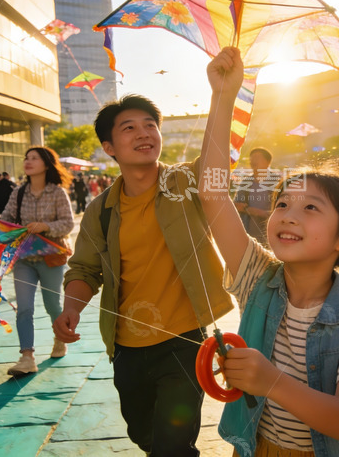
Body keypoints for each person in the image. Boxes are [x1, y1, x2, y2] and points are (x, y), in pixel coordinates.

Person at [200, 47, 339, 456]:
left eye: (310, 208)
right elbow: (212, 193)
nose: (288, 216)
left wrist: (269, 380)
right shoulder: (258, 277)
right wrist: (224, 97)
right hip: (255, 447)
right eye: (282, 204)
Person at [53, 94, 234, 455]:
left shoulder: (186, 182)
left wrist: (222, 95)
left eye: (150, 125)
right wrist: (71, 307)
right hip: (127, 348)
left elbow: (217, 163)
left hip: (185, 341)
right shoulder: (100, 210)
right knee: (144, 435)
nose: (144, 133)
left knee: (173, 444)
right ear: (109, 147)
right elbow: (85, 268)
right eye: (129, 128)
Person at [0, 146, 74, 377]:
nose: (28, 162)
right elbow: (6, 220)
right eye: (26, 158)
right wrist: (3, 226)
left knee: (53, 305)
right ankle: (27, 357)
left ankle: (60, 339)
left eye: (34, 158)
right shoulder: (18, 193)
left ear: (46, 164)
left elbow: (68, 223)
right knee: (24, 308)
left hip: (51, 259)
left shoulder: (57, 193)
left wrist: (46, 227)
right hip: (23, 259)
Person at [233, 147, 281, 245]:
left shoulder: (277, 182)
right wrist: (246, 209)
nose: (253, 161)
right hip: (248, 233)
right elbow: (237, 205)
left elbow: (284, 208)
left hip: (271, 234)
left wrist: (260, 213)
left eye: (257, 157)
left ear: (268, 162)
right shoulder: (246, 182)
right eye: (251, 158)